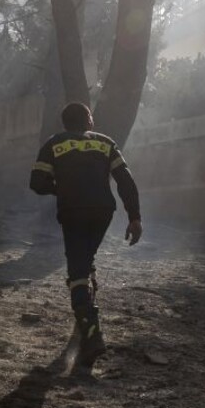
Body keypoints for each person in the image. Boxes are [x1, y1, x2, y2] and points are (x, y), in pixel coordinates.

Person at [29, 102, 142, 367]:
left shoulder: (54, 143)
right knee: (85, 258)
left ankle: (92, 334)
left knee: (77, 271)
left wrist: (62, 188)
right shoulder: (106, 143)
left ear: (65, 123)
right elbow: (125, 180)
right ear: (88, 121)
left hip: (73, 211)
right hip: (103, 211)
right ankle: (87, 308)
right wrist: (135, 217)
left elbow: (36, 183)